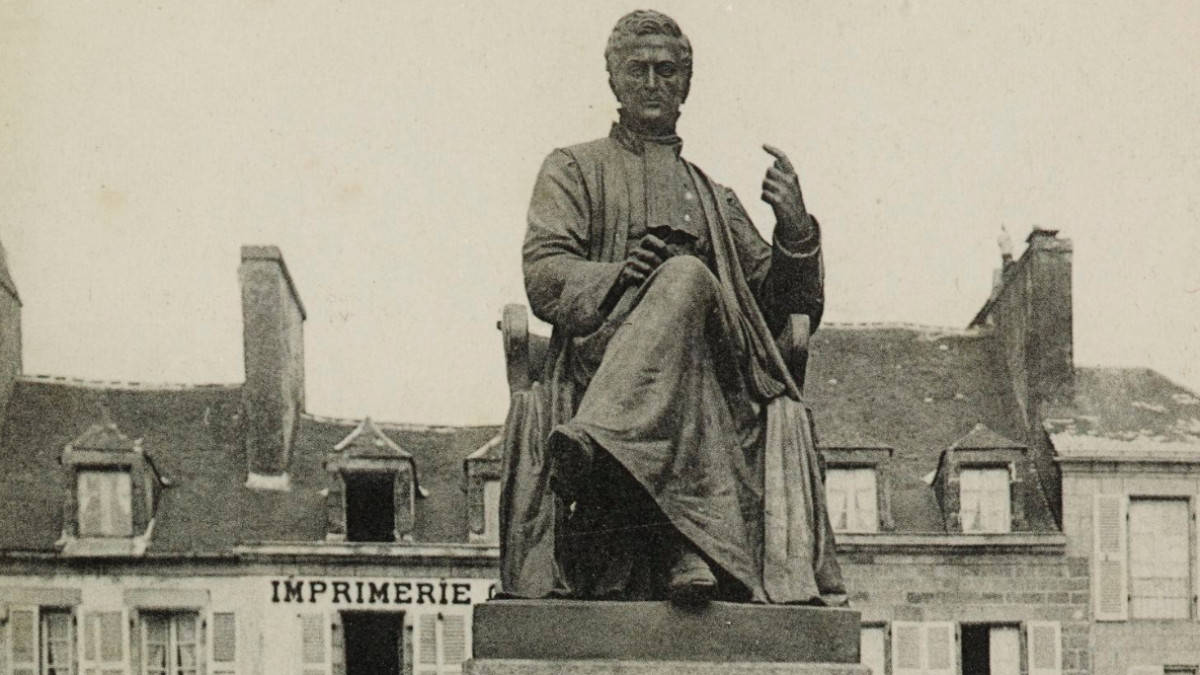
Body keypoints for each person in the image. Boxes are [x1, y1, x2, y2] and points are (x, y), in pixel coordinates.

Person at [501, 9, 846, 606]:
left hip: (719, 372)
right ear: (613, 79)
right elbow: (544, 273)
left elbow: (786, 308)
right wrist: (617, 276)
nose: (653, 82)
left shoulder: (715, 197)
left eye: (667, 70)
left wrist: (794, 228)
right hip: (606, 356)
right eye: (637, 69)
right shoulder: (572, 169)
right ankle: (680, 548)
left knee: (685, 276)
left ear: (686, 84)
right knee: (676, 301)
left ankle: (597, 448)